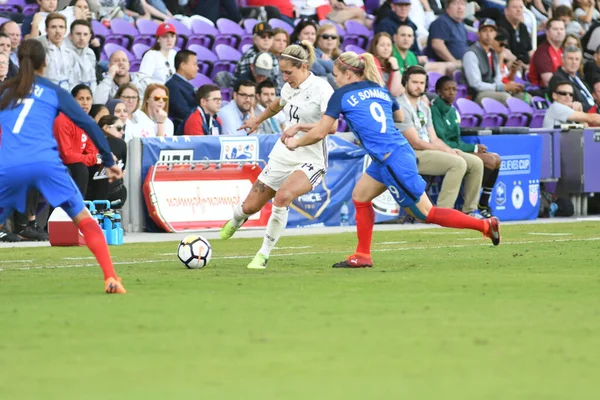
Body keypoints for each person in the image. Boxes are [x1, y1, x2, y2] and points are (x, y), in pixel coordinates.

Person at [282, 51, 500, 269]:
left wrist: (296, 142)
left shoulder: (342, 95)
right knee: (360, 196)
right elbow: (400, 118)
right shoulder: (380, 90)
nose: (334, 79)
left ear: (348, 74)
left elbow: (322, 131)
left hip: (391, 160)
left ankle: (484, 225)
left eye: (336, 75)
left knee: (426, 213)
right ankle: (362, 255)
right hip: (388, 156)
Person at [0, 39, 126, 293]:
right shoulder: (52, 91)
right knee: (83, 218)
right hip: (45, 162)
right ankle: (110, 278)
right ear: (44, 63)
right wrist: (109, 160)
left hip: (9, 163)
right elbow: (89, 124)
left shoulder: (5, 91)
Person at [220, 41, 336, 270]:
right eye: (282, 71)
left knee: (283, 197)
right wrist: (257, 119)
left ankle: (262, 255)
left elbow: (330, 127)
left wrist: (299, 127)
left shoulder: (322, 89)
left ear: (303, 66)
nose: (284, 77)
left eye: (288, 72)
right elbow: (277, 105)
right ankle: (236, 218)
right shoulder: (288, 87)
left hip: (311, 157)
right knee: (250, 207)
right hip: (285, 152)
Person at [431, 76, 501, 218]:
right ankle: (470, 205)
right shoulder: (434, 110)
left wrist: (474, 147)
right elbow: (441, 140)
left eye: (454, 89)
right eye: (447, 89)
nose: (451, 93)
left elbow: (457, 140)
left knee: (497, 159)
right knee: (490, 161)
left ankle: (483, 202)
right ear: (439, 91)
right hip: (443, 151)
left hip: (456, 150)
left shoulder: (452, 110)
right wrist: (472, 149)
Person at [462, 19, 524, 105]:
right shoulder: (471, 54)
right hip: (478, 94)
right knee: (505, 98)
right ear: (478, 33)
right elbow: (475, 84)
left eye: (491, 31)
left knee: (523, 97)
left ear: (495, 34)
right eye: (484, 31)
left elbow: (497, 78)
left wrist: (509, 87)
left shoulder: (494, 53)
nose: (488, 34)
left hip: (493, 90)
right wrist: (503, 87)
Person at [54, 84, 99, 197]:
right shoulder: (62, 120)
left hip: (75, 163)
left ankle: (99, 210)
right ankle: (77, 211)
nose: (85, 103)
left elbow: (92, 150)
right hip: (57, 163)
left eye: (88, 99)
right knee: (80, 169)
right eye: (81, 99)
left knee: (103, 171)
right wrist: (95, 158)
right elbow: (66, 156)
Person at [86, 115, 127, 208]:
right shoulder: (92, 141)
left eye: (123, 128)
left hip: (111, 192)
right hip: (100, 193)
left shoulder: (121, 144)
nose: (122, 132)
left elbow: (122, 167)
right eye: (119, 128)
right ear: (105, 127)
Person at [548, 46, 595, 112]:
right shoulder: (558, 79)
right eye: (570, 58)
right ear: (563, 60)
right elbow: (570, 104)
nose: (574, 62)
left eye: (577, 59)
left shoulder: (578, 78)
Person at [165, 49, 198, 130]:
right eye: (194, 64)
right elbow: (183, 112)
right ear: (183, 65)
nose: (197, 68)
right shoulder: (172, 85)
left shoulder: (182, 83)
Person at [529, 18, 566, 89]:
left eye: (562, 29)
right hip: (543, 91)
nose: (559, 32)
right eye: (555, 29)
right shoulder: (542, 52)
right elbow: (549, 82)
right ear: (547, 32)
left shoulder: (562, 50)